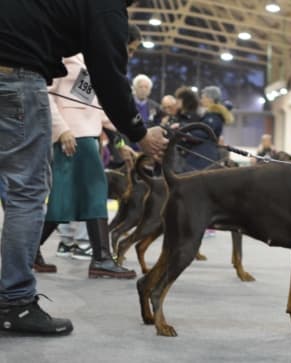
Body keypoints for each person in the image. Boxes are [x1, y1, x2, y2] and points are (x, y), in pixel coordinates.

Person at [0, 0, 168, 336]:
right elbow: (109, 75)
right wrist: (138, 132)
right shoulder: (106, 8)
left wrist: (120, 137)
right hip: (19, 83)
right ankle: (14, 302)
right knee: (27, 192)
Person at [34, 53, 137, 278]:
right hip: (72, 138)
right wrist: (61, 130)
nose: (130, 53)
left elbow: (95, 108)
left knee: (64, 199)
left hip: (87, 137)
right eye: (130, 48)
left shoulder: (89, 61)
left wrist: (124, 136)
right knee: (94, 192)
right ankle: (101, 259)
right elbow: (45, 95)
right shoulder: (61, 56)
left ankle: (30, 252)